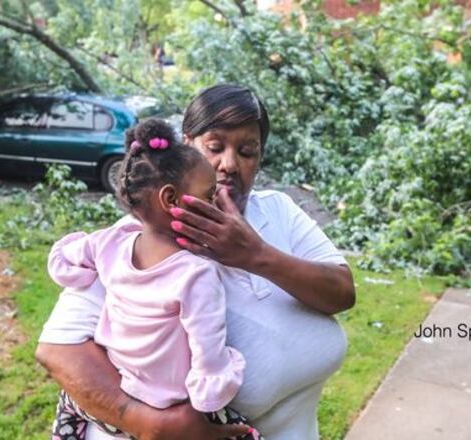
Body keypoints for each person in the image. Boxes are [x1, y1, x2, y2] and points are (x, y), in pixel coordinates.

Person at [35, 84, 356, 440]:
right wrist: (149, 424)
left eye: (248, 151)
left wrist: (256, 255)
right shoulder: (139, 243)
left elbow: (342, 293)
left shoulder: (278, 211)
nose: (229, 165)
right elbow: (57, 350)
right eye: (215, 147)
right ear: (187, 148)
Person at [47, 118, 261, 440]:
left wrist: (74, 272)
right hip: (168, 407)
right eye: (209, 193)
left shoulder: (112, 241)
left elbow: (66, 259)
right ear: (171, 200)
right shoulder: (195, 274)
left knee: (68, 404)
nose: (216, 199)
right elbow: (209, 356)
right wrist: (215, 391)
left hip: (119, 394)